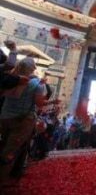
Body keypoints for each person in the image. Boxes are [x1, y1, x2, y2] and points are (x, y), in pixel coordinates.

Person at [0, 58, 57, 187]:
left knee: (4, 144)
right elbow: (39, 104)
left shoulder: (10, 78)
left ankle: (14, 173)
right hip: (23, 120)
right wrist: (45, 97)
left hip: (5, 117)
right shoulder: (37, 83)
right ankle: (3, 179)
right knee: (10, 151)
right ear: (33, 69)